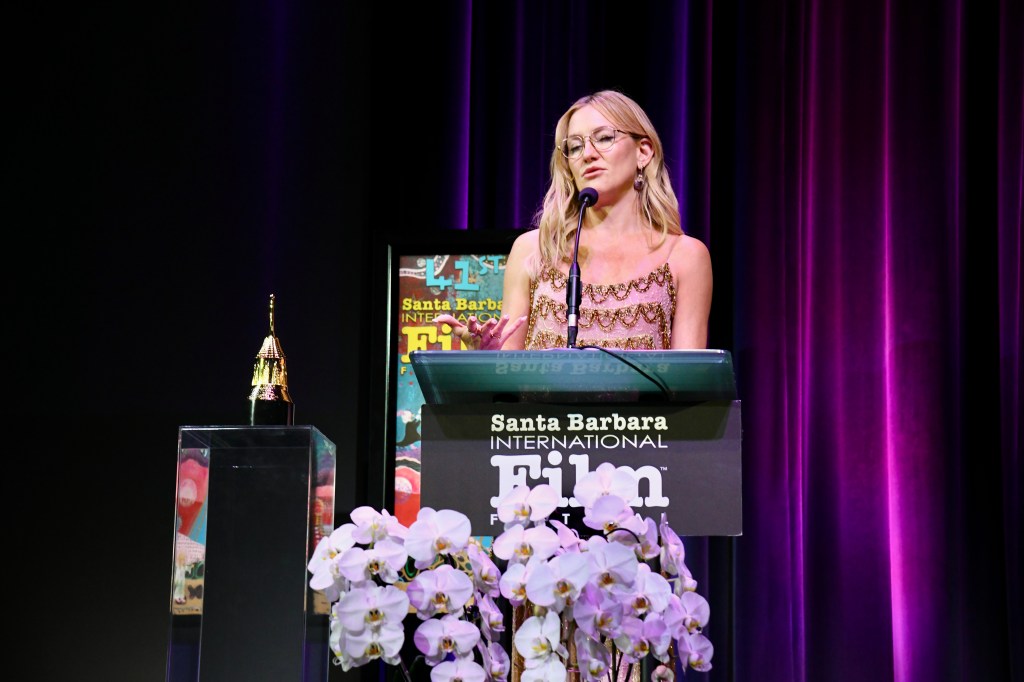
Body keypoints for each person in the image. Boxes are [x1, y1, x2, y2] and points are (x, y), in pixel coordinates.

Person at [437, 89, 712, 350]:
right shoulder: (534, 250)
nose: (588, 154)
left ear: (643, 152)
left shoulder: (684, 256)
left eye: (604, 138)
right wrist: (487, 354)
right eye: (575, 146)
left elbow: (689, 377)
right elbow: (508, 366)